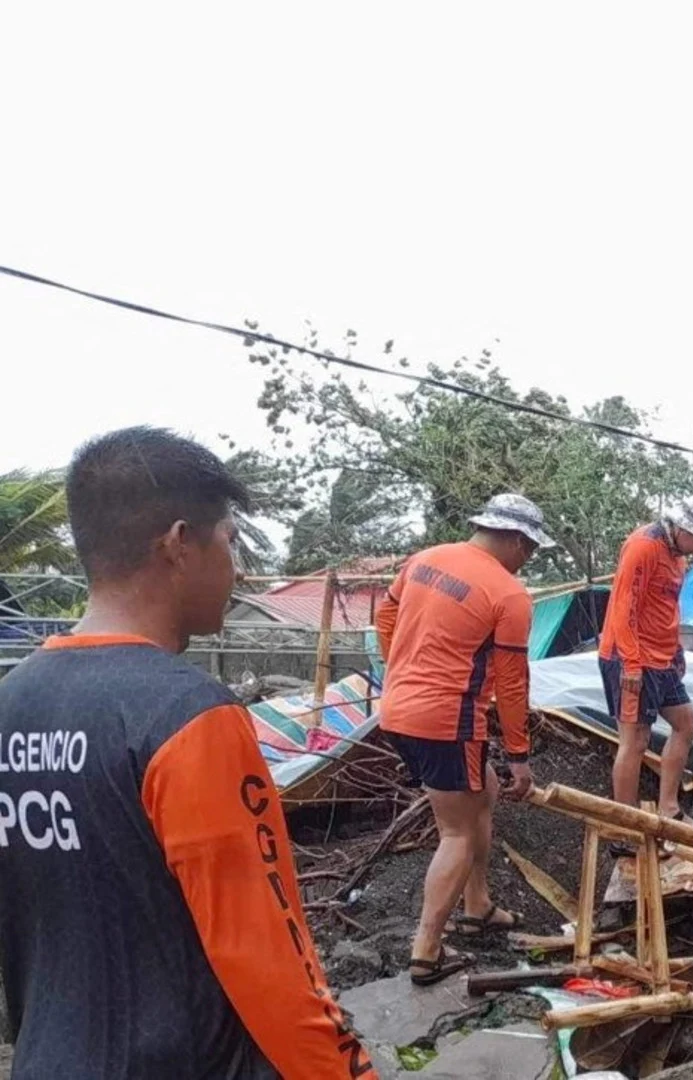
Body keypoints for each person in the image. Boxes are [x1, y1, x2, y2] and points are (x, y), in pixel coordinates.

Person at [0, 427, 369, 1077]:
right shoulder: (187, 715)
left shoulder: (12, 699)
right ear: (177, 545)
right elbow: (267, 960)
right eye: (228, 541)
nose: (240, 569)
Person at [375, 493, 550, 986]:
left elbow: (385, 620)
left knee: (484, 791)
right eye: (530, 549)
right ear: (516, 540)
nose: (528, 558)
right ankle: (427, 950)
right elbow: (513, 683)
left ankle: (477, 906)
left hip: (397, 710)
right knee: (457, 830)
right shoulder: (509, 595)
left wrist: (404, 669)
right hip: (448, 722)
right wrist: (519, 754)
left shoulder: (424, 560)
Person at [599, 497, 693, 821]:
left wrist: (676, 649)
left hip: (661, 659)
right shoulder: (643, 547)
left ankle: (669, 806)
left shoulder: (678, 557)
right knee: (636, 739)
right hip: (630, 656)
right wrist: (630, 663)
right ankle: (626, 825)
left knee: (687, 724)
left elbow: (666, 608)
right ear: (685, 529)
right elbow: (623, 608)